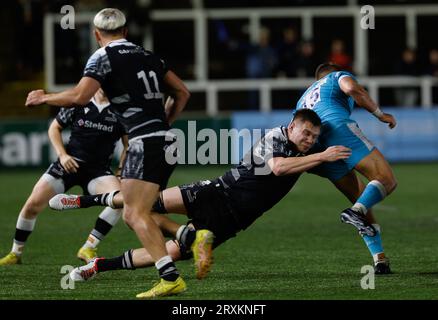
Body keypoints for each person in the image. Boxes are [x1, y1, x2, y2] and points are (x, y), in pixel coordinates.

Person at [24, 8, 210, 299]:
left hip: (143, 142)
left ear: (96, 35)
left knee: (134, 213)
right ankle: (187, 237)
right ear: (125, 32)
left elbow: (79, 97)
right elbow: (183, 92)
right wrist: (163, 124)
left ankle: (171, 275)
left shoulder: (102, 57)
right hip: (167, 141)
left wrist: (44, 96)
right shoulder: (149, 56)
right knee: (140, 208)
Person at [48, 109, 352, 284]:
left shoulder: (307, 153)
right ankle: (82, 201)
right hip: (218, 192)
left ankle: (97, 266)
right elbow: (278, 167)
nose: (309, 140)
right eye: (306, 134)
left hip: (236, 219)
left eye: (314, 137)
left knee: (172, 252)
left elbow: (320, 166)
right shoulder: (276, 137)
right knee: (147, 203)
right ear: (293, 126)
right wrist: (322, 156)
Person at [0, 89, 128, 266]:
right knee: (32, 205)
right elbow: (55, 127)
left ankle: (89, 246)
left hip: (98, 170)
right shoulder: (79, 101)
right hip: (68, 165)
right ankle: (16, 253)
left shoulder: (121, 108)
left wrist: (121, 171)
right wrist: (62, 155)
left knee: (121, 199)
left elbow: (128, 144)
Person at [295, 62, 397, 274]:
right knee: (386, 179)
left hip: (314, 148)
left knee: (362, 198)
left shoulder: (303, 98)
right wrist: (380, 114)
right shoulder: (335, 77)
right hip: (336, 129)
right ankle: (355, 212)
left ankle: (379, 260)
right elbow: (352, 88)